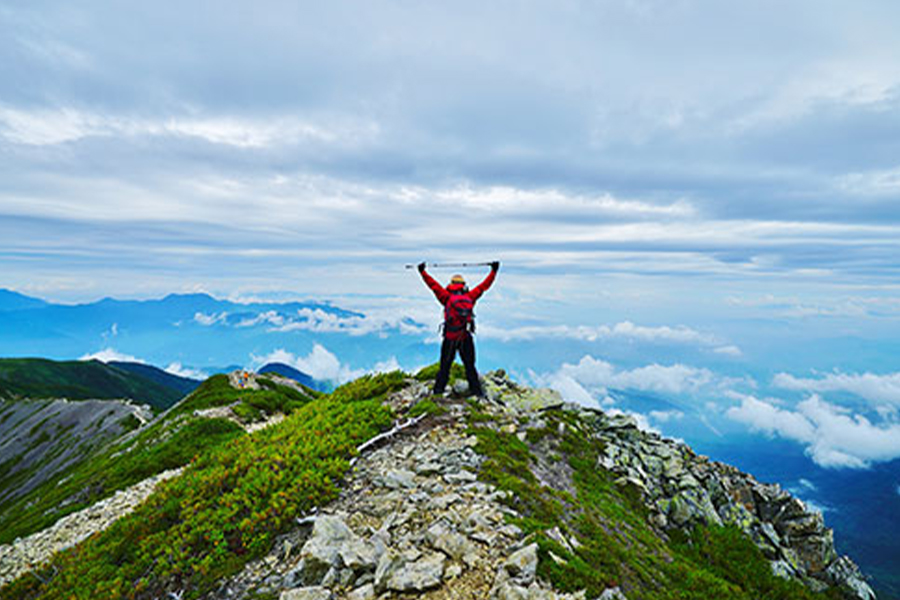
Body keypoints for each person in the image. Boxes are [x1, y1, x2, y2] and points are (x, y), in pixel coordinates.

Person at [418, 261, 499, 397]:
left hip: (450, 337)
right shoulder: (470, 297)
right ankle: (477, 393)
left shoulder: (446, 297)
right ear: (463, 285)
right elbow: (484, 286)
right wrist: (494, 272)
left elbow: (433, 285)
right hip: (465, 337)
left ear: (451, 284)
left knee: (445, 366)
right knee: (470, 366)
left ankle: (438, 392)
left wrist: (423, 272)